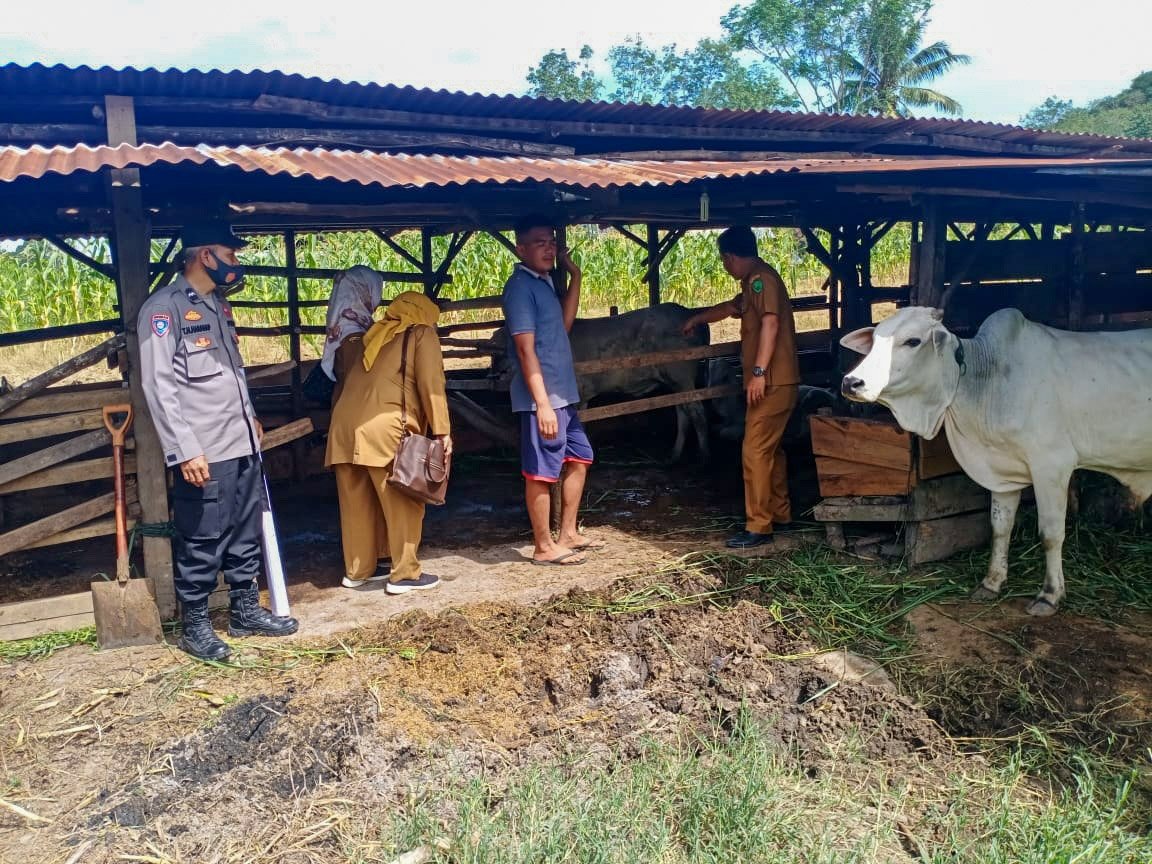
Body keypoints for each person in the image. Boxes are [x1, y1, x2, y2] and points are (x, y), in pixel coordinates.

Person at [138, 222, 299, 662]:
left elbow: (233, 372)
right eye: (231, 255)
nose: (237, 263)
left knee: (244, 530)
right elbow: (159, 384)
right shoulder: (164, 309)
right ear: (204, 256)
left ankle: (244, 612)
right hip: (203, 448)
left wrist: (250, 419)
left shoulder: (218, 306)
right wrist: (184, 448)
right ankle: (196, 626)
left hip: (240, 440)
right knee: (203, 534)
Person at [681, 226, 800, 548]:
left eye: (724, 261)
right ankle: (780, 514)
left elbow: (771, 323)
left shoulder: (763, 281)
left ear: (730, 257)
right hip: (776, 380)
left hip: (772, 381)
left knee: (754, 451)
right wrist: (697, 320)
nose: (724, 266)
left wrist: (759, 372)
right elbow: (732, 308)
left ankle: (759, 526)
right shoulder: (753, 282)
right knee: (771, 450)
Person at [325, 291, 451, 593]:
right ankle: (405, 574)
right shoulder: (420, 333)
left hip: (343, 429)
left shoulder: (374, 335)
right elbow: (432, 384)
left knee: (357, 503)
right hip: (384, 429)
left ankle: (358, 571)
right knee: (405, 499)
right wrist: (442, 431)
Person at [501, 214, 603, 566]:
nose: (549, 249)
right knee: (541, 473)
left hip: (564, 395)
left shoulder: (543, 282)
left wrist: (575, 275)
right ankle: (543, 546)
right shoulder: (519, 288)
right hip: (541, 400)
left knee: (580, 458)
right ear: (521, 248)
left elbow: (564, 324)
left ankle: (568, 533)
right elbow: (526, 349)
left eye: (552, 243)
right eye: (540, 243)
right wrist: (542, 404)